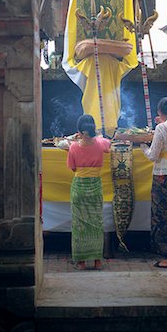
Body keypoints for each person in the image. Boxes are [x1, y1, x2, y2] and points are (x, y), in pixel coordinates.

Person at [67, 114, 111, 270]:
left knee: (79, 224)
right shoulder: (101, 144)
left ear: (79, 131)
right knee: (96, 223)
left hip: (79, 187)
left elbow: (72, 168)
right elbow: (109, 144)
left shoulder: (73, 147)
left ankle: (81, 262)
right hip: (95, 187)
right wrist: (97, 136)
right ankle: (97, 260)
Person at [140, 97, 167, 268]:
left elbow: (153, 155)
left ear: (159, 112)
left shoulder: (161, 128)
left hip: (162, 175)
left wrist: (143, 147)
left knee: (161, 216)